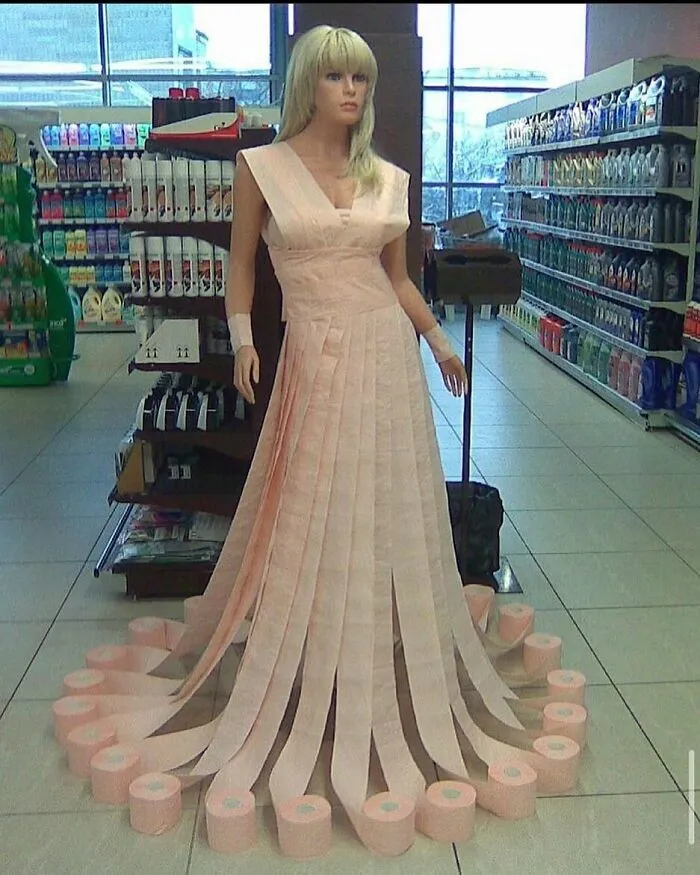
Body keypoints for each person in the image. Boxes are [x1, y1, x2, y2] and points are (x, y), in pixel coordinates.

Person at [52, 25, 586, 857]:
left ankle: (376, 639)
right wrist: (243, 339)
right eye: (336, 76)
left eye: (360, 78)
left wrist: (438, 342)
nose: (351, 90)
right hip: (313, 356)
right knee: (307, 496)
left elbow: (396, 277)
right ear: (309, 83)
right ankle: (307, 642)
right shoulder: (261, 168)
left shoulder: (387, 177)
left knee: (382, 498)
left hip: (385, 355)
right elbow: (240, 270)